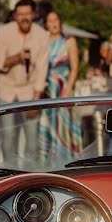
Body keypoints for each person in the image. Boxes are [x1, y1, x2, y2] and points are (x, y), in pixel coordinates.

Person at [0, 0, 50, 170]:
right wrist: (18, 57)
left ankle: (29, 174)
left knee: (32, 135)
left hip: (30, 89)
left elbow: (42, 68)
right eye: (20, 14)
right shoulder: (3, 32)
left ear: (33, 15)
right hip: (6, 88)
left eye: (28, 14)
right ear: (15, 16)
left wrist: (36, 98)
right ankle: (9, 173)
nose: (24, 17)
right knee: (8, 134)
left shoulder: (42, 34)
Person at [38, 10, 82, 164]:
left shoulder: (69, 41)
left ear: (60, 21)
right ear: (45, 25)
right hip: (47, 89)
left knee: (64, 125)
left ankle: (67, 161)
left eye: (55, 19)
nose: (53, 24)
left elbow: (75, 68)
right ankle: (48, 163)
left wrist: (68, 88)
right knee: (48, 124)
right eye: (49, 21)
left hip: (63, 87)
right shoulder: (42, 42)